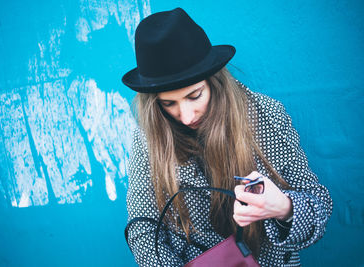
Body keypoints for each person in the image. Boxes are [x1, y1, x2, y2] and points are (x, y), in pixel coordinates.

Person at [122, 7, 332, 267]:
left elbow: (318, 207)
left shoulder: (267, 116)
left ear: (214, 82)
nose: (186, 116)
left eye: (194, 96)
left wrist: (285, 208)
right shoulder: (148, 138)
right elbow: (142, 228)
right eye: (169, 103)